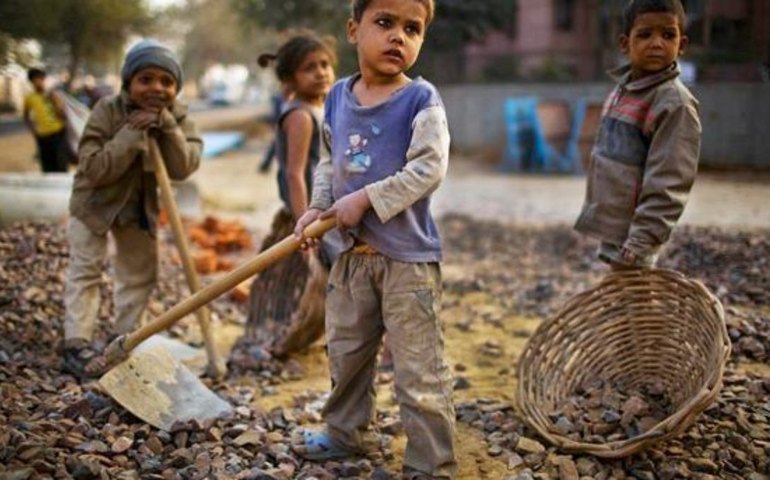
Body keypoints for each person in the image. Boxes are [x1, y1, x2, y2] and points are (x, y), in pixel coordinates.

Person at [292, 0, 456, 477]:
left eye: (412, 28)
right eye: (384, 23)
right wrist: (319, 206)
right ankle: (345, 434)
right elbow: (329, 161)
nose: (398, 37)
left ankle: (431, 462)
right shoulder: (338, 97)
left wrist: (365, 199)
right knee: (346, 352)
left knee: (418, 369)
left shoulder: (422, 100)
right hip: (350, 257)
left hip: (407, 260)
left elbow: (429, 168)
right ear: (352, 30)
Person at [62, 39, 202, 378]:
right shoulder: (107, 111)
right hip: (94, 203)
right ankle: (76, 344)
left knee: (140, 273)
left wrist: (167, 126)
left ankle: (125, 340)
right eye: (146, 79)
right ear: (128, 82)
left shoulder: (178, 116)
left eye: (166, 82)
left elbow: (184, 166)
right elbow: (93, 169)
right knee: (86, 269)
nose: (156, 88)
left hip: (138, 206)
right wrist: (129, 133)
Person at [231, 32, 338, 363]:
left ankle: (326, 333)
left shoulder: (324, 108)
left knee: (329, 277)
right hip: (309, 213)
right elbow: (293, 172)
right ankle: (280, 336)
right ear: (291, 78)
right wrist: (304, 221)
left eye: (325, 65)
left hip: (329, 210)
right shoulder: (300, 116)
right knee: (308, 278)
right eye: (310, 68)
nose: (321, 72)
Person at [574, 0, 701, 270]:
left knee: (636, 298)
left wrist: (643, 238)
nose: (657, 43)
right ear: (624, 43)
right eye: (645, 34)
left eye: (668, 35)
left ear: (682, 45)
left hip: (636, 233)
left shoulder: (673, 104)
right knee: (624, 298)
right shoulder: (626, 90)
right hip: (616, 227)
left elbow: (669, 179)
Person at [23, 68, 69, 173]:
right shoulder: (29, 98)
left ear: (44, 79)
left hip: (58, 133)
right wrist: (33, 130)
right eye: (35, 80)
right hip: (42, 136)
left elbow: (63, 115)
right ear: (31, 81)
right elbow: (25, 116)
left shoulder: (53, 94)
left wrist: (55, 103)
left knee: (61, 165)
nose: (38, 82)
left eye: (40, 79)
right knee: (47, 167)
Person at [257, 83, 293, 173]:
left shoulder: (298, 101)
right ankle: (265, 165)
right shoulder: (278, 99)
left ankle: (266, 165)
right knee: (276, 146)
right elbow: (276, 115)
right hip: (281, 128)